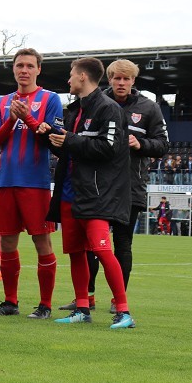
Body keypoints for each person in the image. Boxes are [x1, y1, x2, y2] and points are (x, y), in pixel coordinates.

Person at [61, 59, 169, 314]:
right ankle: (87, 297)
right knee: (90, 244)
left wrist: (141, 144)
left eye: (126, 79)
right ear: (108, 79)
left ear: (133, 81)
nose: (121, 83)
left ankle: (117, 301)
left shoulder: (149, 107)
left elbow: (163, 145)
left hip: (130, 186)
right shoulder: (95, 102)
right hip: (97, 185)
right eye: (117, 78)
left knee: (122, 243)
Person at [46, 57, 136, 329]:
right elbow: (70, 149)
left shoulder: (108, 108)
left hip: (96, 194)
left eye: (71, 74)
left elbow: (109, 148)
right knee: (76, 253)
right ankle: (82, 308)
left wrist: (70, 139)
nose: (69, 80)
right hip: (69, 191)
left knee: (102, 250)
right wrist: (49, 137)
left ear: (83, 76)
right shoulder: (75, 109)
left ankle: (124, 311)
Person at [0, 48, 62, 320]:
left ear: (39, 69)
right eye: (20, 65)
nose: (24, 70)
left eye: (30, 65)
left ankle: (45, 305)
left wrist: (27, 117)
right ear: (13, 69)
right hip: (7, 182)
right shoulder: (3, 101)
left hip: (36, 184)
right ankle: (10, 302)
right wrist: (11, 119)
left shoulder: (51, 99)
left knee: (42, 242)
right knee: (7, 242)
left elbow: (51, 138)